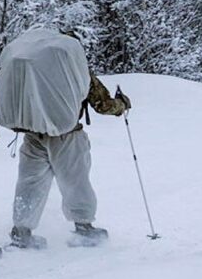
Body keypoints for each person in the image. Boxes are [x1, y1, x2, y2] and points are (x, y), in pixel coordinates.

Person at [9, 67, 130, 248]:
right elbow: (103, 104)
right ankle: (83, 228)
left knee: (30, 182)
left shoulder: (30, 68)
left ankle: (22, 231)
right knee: (75, 180)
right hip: (66, 134)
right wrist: (121, 104)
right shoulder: (75, 67)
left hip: (33, 135)